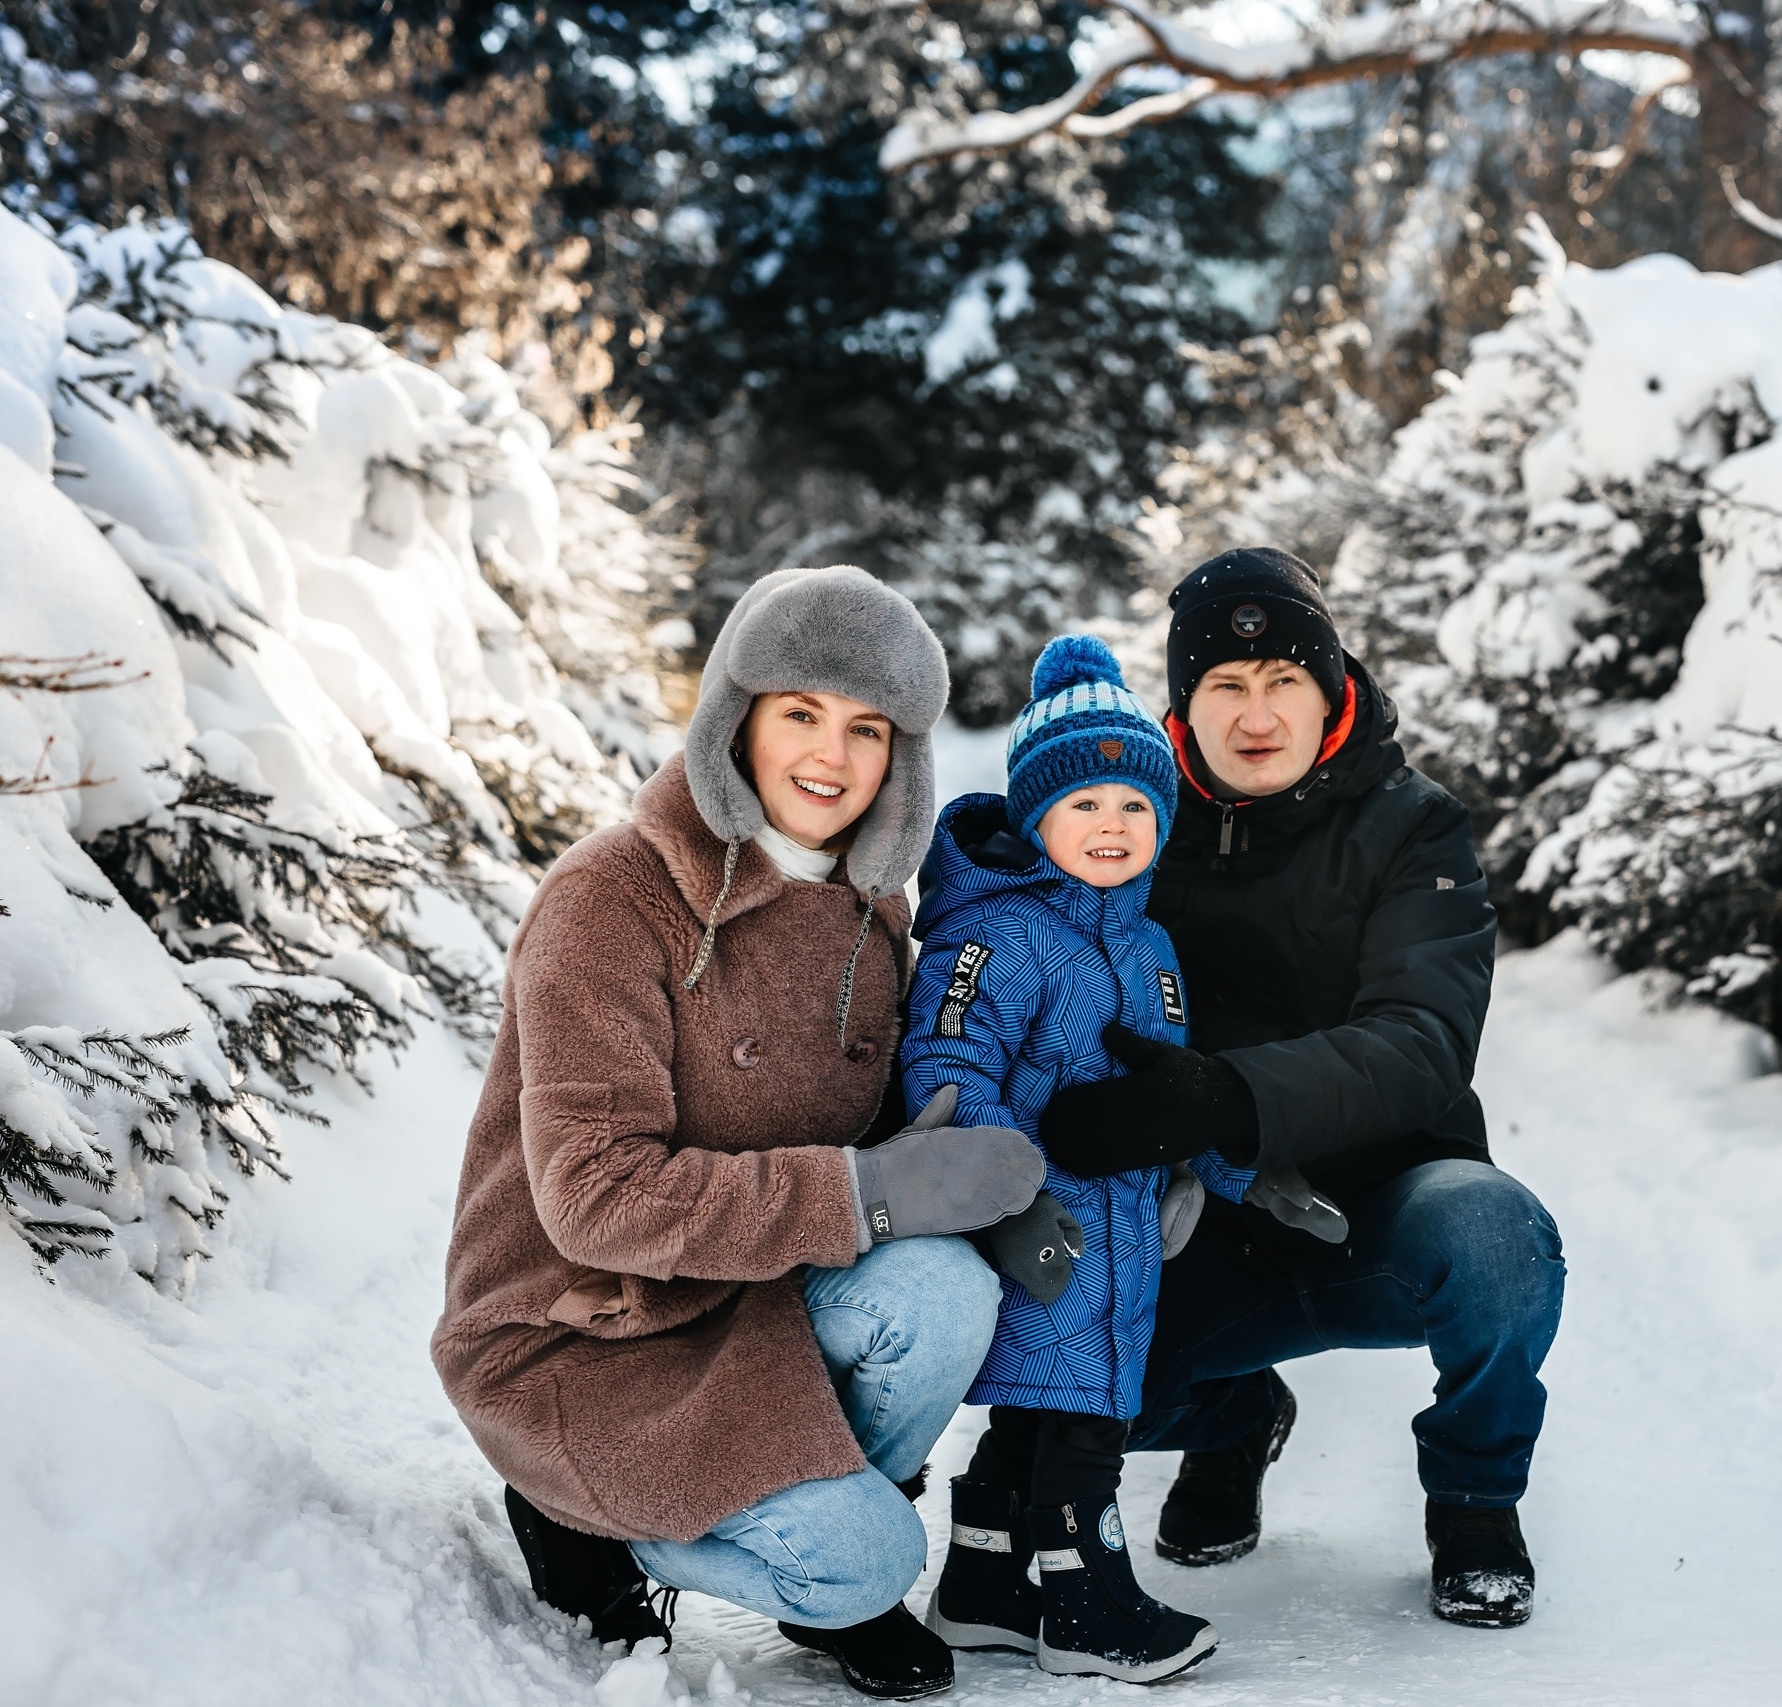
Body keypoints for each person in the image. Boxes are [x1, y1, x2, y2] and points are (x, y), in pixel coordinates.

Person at [432, 566, 1050, 1701]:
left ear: (901, 757)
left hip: (747, 1295)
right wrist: (872, 1192)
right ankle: (592, 1528)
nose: (832, 754)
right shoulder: (610, 899)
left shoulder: (872, 914)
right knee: (878, 1560)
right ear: (738, 721)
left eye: (868, 728)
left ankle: (826, 1544)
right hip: (580, 1330)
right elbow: (594, 1196)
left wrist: (1020, 1174)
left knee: (947, 1291)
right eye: (800, 714)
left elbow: (884, 1132)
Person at [1034, 547, 1567, 1628]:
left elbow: (1423, 1040)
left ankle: (1473, 1504)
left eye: (1284, 679)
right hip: (1200, 1224)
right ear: (1184, 707)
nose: (1256, 711)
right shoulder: (1129, 827)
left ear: (1331, 688)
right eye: (1225, 685)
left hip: (1384, 1203)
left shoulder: (1412, 825)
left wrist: (1225, 1095)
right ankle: (1233, 1417)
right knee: (1065, 1368)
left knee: (1501, 1239)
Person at [899, 635, 1272, 1685]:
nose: (1112, 827)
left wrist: (1231, 1167)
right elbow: (944, 1066)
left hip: (1127, 1230)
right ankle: (1083, 1600)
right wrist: (1002, 1204)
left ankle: (980, 1582)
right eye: (1085, 805)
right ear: (1035, 816)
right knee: (1079, 1419)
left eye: (1135, 808)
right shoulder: (996, 937)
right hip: (1042, 1230)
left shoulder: (1150, 947)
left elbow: (1174, 1082)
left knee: (1045, 1408)